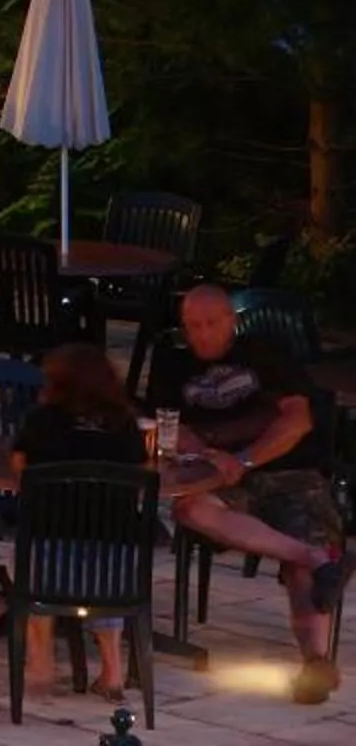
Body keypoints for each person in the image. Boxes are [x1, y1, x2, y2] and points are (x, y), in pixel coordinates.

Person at [152, 285, 345, 703]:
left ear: (231, 322)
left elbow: (298, 420)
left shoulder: (266, 353)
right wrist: (208, 454)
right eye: (192, 326)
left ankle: (314, 661)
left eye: (210, 324)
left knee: (305, 556)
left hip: (289, 472)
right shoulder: (171, 361)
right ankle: (313, 557)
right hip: (217, 478)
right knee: (190, 509)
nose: (201, 334)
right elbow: (170, 425)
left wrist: (247, 459)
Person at [11, 341, 148, 697]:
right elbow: (142, 474)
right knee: (106, 569)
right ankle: (112, 669)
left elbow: (20, 472)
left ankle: (40, 663)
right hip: (111, 551)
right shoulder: (124, 424)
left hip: (52, 546)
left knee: (33, 559)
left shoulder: (41, 421)